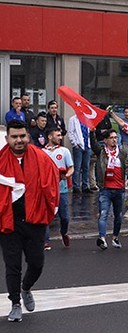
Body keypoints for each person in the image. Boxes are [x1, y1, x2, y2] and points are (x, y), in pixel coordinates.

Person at [0, 120, 60, 322]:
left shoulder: (42, 159)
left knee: (37, 263)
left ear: (28, 137)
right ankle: (15, 303)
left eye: (22, 136)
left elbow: (52, 185)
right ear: (7, 138)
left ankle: (26, 288)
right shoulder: (0, 161)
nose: (19, 140)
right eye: (14, 137)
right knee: (12, 265)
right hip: (9, 222)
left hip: (35, 221)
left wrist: (50, 211)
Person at [90, 129, 128, 249]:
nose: (114, 140)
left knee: (118, 216)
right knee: (103, 214)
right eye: (112, 138)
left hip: (119, 189)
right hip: (106, 189)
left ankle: (115, 237)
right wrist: (92, 133)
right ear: (106, 140)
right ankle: (102, 238)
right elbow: (93, 145)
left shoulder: (122, 153)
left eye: (116, 138)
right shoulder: (101, 152)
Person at [42, 127, 74, 250]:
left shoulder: (65, 151)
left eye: (61, 135)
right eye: (58, 135)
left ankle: (64, 232)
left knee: (64, 217)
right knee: (46, 215)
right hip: (47, 190)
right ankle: (45, 240)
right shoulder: (42, 152)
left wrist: (66, 175)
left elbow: (71, 167)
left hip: (62, 189)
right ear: (50, 137)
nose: (60, 138)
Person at [68, 114, 92, 193]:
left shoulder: (87, 119)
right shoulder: (73, 119)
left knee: (86, 167)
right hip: (78, 146)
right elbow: (70, 132)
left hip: (86, 145)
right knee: (77, 167)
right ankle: (76, 186)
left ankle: (85, 185)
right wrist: (75, 144)